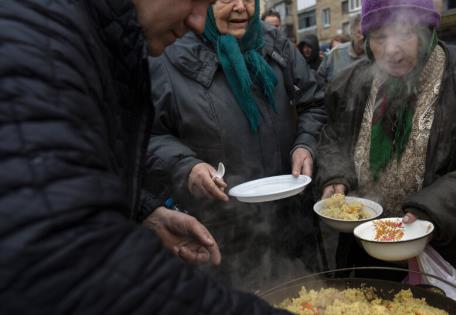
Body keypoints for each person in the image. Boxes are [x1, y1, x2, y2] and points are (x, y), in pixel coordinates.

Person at [0, 0, 291, 313]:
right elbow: (64, 261)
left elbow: (64, 176)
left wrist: (143, 211)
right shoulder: (41, 39)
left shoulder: (95, 38)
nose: (197, 21)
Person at [315, 0, 456, 313]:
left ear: (427, 32)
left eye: (404, 34)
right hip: (370, 247)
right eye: (379, 38)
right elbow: (334, 138)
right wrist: (336, 177)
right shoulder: (349, 84)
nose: (392, 50)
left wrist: (432, 208)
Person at [145, 0, 327, 292]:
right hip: (224, 234)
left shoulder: (274, 42)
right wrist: (185, 165)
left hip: (294, 225)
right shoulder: (166, 54)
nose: (241, 7)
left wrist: (305, 144)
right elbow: (148, 136)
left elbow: (314, 103)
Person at [318, 14, 366, 82]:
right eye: (359, 32)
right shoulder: (335, 54)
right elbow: (319, 80)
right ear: (352, 32)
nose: (363, 37)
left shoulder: (373, 56)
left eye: (366, 33)